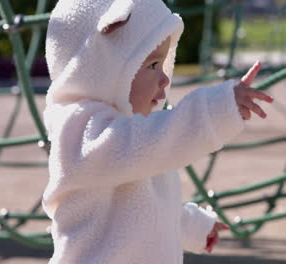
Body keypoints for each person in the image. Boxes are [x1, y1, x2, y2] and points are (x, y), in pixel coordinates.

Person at [42, 0, 273, 263]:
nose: (164, 79)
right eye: (152, 65)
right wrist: (213, 110)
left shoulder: (133, 137)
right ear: (103, 65)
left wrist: (190, 226)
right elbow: (155, 143)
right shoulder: (79, 132)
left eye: (164, 65)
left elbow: (143, 209)